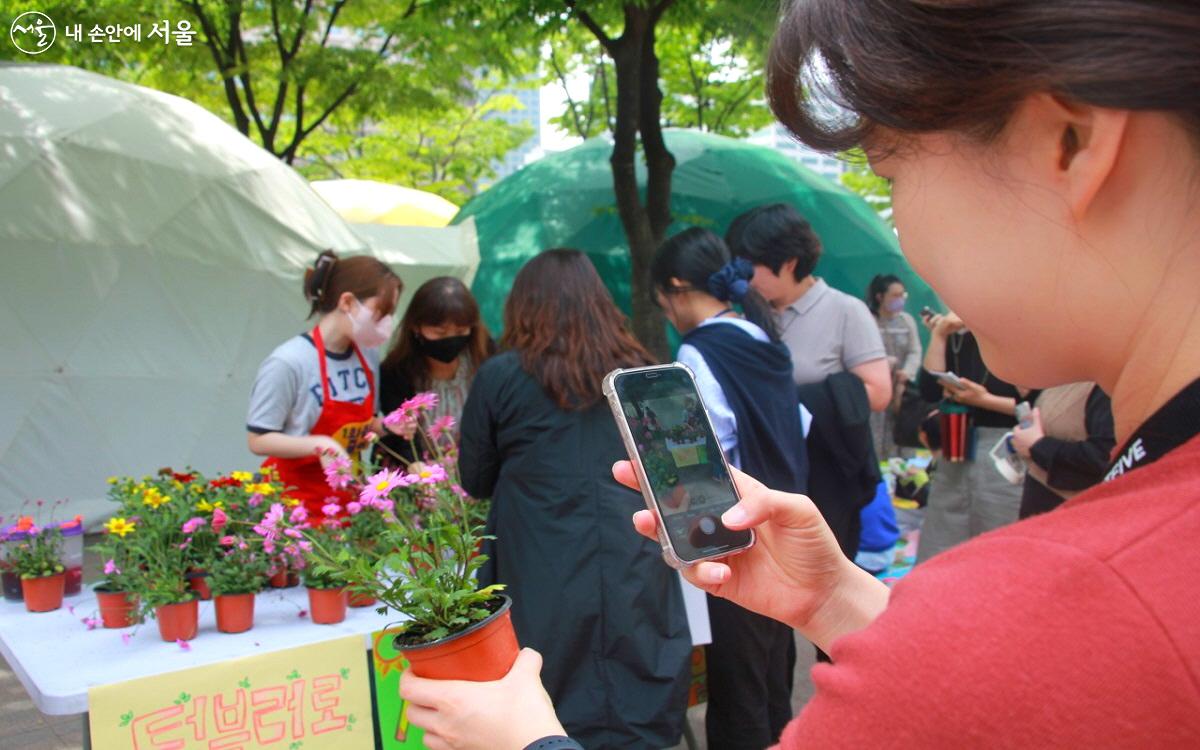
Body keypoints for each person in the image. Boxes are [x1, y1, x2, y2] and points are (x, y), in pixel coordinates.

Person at [399, 1, 1200, 748]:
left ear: (1070, 141)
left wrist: (528, 741)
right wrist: (840, 602)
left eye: (890, 171)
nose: (900, 226)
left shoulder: (1049, 605)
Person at [456, 249, 690, 748]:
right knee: (637, 665)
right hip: (634, 546)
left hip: (539, 553)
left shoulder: (501, 375)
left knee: (546, 674)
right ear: (600, 302)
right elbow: (672, 473)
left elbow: (474, 477)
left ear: (523, 306)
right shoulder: (641, 371)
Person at [652, 227, 807, 750]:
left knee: (738, 689)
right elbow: (798, 423)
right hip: (783, 526)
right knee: (771, 678)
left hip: (736, 538)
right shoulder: (763, 338)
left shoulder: (699, 354)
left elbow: (704, 455)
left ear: (675, 286)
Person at [246, 250, 400, 516]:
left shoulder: (367, 355)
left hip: (349, 504)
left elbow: (363, 427)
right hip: (295, 507)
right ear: (348, 303)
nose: (387, 323)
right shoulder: (288, 362)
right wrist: (321, 446)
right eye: (381, 313)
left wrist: (388, 425)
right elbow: (258, 439)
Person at [725, 203, 892, 412]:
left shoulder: (846, 311)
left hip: (819, 443)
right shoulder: (747, 315)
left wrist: (797, 402)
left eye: (750, 267)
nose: (742, 276)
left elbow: (879, 394)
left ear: (789, 263)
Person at [915, 315, 1028, 562]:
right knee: (940, 545)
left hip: (1006, 453)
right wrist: (939, 335)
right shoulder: (957, 334)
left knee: (998, 547)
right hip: (957, 448)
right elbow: (929, 390)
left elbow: (1033, 409)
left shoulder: (1022, 335)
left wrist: (984, 400)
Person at [377, 277, 493, 465]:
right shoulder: (395, 373)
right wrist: (421, 470)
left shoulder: (486, 359)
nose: (451, 339)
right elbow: (401, 440)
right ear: (416, 327)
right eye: (440, 333)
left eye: (461, 331)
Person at [1010, 383, 1115, 519]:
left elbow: (1104, 457)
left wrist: (1038, 445)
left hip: (1073, 511)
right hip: (1039, 502)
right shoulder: (1065, 377)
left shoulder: (1104, 391)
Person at [866, 274, 922, 459]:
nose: (900, 300)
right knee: (875, 433)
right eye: (895, 295)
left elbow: (915, 351)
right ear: (880, 297)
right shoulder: (868, 321)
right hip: (876, 387)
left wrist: (907, 372)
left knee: (903, 432)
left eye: (902, 295)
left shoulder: (906, 321)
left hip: (901, 388)